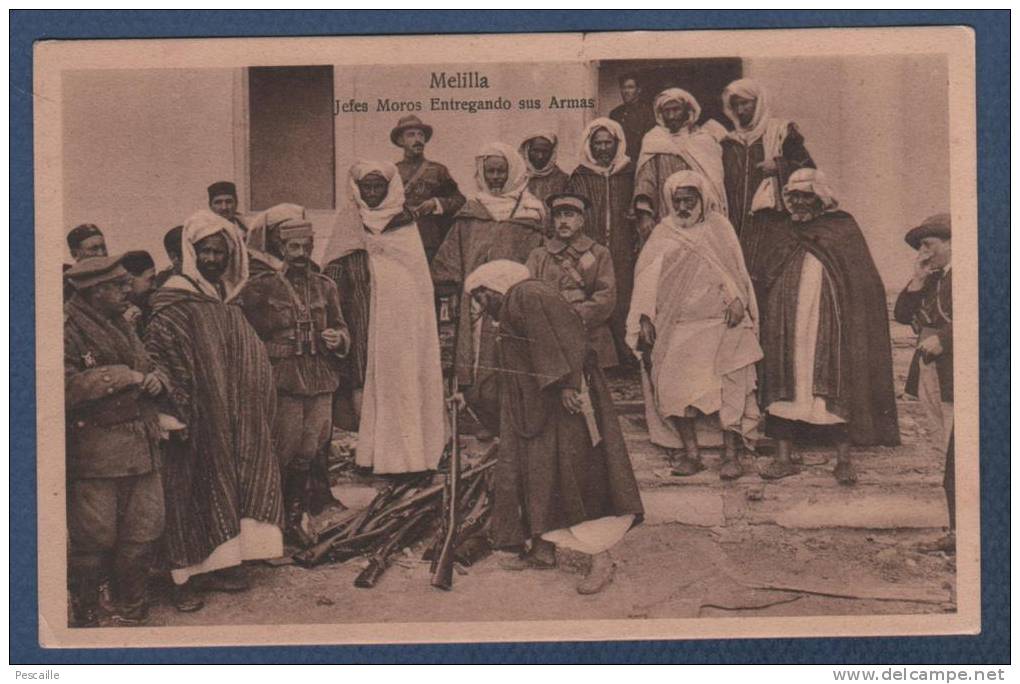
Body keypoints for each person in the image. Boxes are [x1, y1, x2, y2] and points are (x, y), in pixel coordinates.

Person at [464, 260, 644, 595]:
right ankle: (544, 549)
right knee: (541, 474)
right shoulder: (517, 303)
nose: (479, 306)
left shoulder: (527, 295)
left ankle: (601, 558)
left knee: (575, 475)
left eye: (479, 296)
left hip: (564, 400)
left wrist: (566, 385)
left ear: (492, 288)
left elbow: (565, 336)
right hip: (540, 404)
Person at [144, 209, 282, 611]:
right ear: (191, 252)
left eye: (220, 252)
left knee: (226, 486)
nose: (212, 259)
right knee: (187, 492)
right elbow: (161, 352)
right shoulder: (174, 297)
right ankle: (182, 580)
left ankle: (223, 564)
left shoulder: (222, 295)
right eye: (205, 252)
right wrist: (174, 407)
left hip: (230, 412)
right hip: (193, 413)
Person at [750, 169, 900, 484]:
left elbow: (860, 281)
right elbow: (764, 274)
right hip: (785, 325)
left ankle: (843, 460)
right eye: (794, 197)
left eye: (806, 196)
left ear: (821, 198)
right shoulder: (781, 230)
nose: (799, 203)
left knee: (832, 380)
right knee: (785, 380)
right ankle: (783, 457)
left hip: (829, 320)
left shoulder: (841, 228)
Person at [627, 171, 762, 481]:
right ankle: (691, 454)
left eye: (690, 200)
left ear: (703, 200)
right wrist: (645, 317)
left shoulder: (719, 228)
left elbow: (733, 271)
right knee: (676, 388)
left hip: (719, 324)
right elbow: (646, 280)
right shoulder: (663, 233)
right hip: (679, 327)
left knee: (729, 386)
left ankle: (731, 455)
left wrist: (738, 301)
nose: (684, 207)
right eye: (678, 201)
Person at [64, 255, 168, 626]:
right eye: (120, 285)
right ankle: (88, 613)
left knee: (143, 531)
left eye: (127, 283)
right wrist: (124, 376)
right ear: (96, 291)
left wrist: (157, 378)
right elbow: (60, 385)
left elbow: (149, 364)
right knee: (94, 540)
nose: (129, 290)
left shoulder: (121, 322)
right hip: (96, 456)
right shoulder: (65, 328)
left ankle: (132, 608)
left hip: (141, 447)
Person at [237, 205, 350, 545]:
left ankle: (293, 518)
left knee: (311, 449)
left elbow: (342, 327)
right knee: (283, 450)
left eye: (307, 247)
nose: (301, 255)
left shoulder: (325, 286)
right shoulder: (261, 287)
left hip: (319, 377)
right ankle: (269, 523)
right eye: (294, 248)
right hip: (282, 378)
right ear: (281, 248)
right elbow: (245, 334)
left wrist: (338, 338)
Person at [325, 161, 446, 474]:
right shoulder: (350, 220)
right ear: (358, 189)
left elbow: (417, 275)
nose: (373, 193)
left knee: (402, 380)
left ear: (390, 188)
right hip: (362, 314)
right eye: (367, 187)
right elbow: (335, 265)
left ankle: (411, 458)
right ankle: (372, 456)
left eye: (379, 186)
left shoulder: (403, 220)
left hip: (400, 318)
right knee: (365, 380)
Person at [430, 143, 546, 437]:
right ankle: (484, 418)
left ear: (513, 171)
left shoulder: (531, 213)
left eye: (501, 171)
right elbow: (451, 257)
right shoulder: (472, 211)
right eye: (490, 171)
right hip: (476, 302)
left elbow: (539, 258)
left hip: (514, 301)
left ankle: (513, 419)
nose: (495, 177)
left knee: (513, 358)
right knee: (478, 359)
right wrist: (452, 286)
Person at [894, 214, 954, 553]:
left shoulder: (970, 274)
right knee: (945, 448)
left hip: (955, 370)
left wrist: (945, 339)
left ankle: (963, 532)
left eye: (928, 245)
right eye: (920, 247)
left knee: (958, 449)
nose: (924, 253)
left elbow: (988, 315)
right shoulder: (931, 279)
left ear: (950, 243)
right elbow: (903, 314)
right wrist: (917, 279)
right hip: (930, 369)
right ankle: (956, 529)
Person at [566, 118, 638, 365]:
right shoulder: (580, 176)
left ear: (617, 144)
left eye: (609, 143)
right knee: (594, 297)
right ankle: (599, 360)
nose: (604, 148)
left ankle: (627, 355)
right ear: (590, 145)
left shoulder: (630, 172)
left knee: (624, 297)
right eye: (598, 143)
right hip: (590, 248)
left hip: (624, 247)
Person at [720, 78, 815, 265]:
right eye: (735, 105)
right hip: (736, 221)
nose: (740, 111)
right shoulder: (728, 142)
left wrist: (779, 165)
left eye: (745, 103)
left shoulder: (781, 132)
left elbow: (808, 171)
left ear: (759, 102)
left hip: (772, 221)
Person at [526, 192, 618, 369]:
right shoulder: (538, 255)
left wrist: (578, 316)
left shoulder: (599, 253)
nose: (563, 221)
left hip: (589, 330)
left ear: (581, 220)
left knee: (594, 388)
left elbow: (606, 295)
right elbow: (529, 293)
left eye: (569, 215)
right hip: (550, 331)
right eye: (558, 216)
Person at [633, 88, 728, 244]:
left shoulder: (704, 140)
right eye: (666, 111)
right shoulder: (654, 140)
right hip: (665, 217)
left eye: (676, 109)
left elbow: (715, 184)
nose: (671, 116)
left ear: (687, 110)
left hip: (700, 218)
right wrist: (645, 215)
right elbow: (645, 180)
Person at [391, 115, 466, 263]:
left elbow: (459, 200)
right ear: (401, 141)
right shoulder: (392, 172)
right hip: (400, 238)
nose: (417, 139)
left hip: (430, 240)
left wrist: (436, 203)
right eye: (411, 135)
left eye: (421, 135)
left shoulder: (438, 171)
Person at [609, 72, 656, 162]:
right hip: (619, 162)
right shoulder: (615, 113)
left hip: (640, 161)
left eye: (630, 87)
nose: (626, 91)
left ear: (639, 90)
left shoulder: (648, 112)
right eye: (623, 87)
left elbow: (650, 142)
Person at [519, 131, 570, 211]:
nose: (540, 156)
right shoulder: (517, 177)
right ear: (527, 150)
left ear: (552, 153)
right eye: (535, 151)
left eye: (545, 151)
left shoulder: (563, 179)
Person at [120, 250, 157, 336]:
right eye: (150, 279)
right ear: (130, 278)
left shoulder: (149, 307)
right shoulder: (118, 313)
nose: (154, 286)